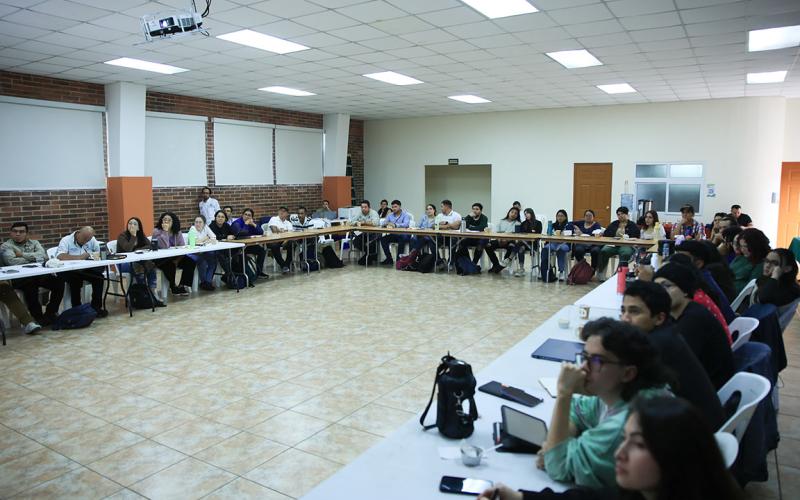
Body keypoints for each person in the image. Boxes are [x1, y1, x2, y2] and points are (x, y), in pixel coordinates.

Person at [478, 396, 744, 500]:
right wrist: (519, 497)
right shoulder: (645, 492)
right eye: (625, 439)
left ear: (675, 454)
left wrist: (565, 391)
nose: (619, 452)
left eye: (637, 444)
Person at [538, 318, 671, 488]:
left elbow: (558, 467)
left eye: (596, 361)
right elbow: (576, 411)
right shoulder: (622, 391)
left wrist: (564, 394)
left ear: (628, 373)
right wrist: (558, 443)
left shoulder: (621, 427)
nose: (584, 368)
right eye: (584, 357)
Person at [622, 281, 725, 429]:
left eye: (634, 311)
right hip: (698, 424)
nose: (625, 318)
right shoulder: (667, 333)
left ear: (659, 318)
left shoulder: (656, 346)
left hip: (694, 436)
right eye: (623, 310)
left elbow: (619, 385)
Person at [654, 263, 734, 389]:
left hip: (708, 392)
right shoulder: (681, 312)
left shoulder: (694, 319)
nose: (660, 292)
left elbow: (673, 363)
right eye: (657, 287)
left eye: (667, 286)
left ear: (685, 290)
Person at [1, 222, 64, 325]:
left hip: (36, 274)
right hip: (17, 277)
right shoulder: (6, 246)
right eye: (15, 231)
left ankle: (50, 312)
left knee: (59, 281)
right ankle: (38, 317)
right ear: (10, 233)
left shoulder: (34, 243)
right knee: (30, 285)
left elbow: (43, 256)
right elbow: (11, 261)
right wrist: (33, 259)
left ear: (27, 233)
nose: (18, 234)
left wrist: (21, 255)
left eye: (21, 232)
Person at [675, 239, 736, 318]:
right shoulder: (704, 274)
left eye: (682, 259)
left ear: (699, 263)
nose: (676, 261)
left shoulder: (700, 284)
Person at [56, 226, 107, 317]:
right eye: (84, 239)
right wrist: (79, 257)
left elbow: (102, 250)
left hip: (85, 269)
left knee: (99, 278)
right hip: (70, 271)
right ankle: (77, 308)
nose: (86, 241)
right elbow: (60, 256)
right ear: (78, 233)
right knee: (75, 280)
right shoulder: (66, 240)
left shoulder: (91, 239)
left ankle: (96, 308)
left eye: (88, 239)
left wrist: (99, 253)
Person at [115, 217, 163, 307]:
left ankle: (152, 290)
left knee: (150, 265)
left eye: (135, 224)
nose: (132, 225)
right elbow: (128, 249)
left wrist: (137, 248)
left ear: (139, 227)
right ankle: (144, 292)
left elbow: (150, 245)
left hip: (137, 262)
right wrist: (133, 236)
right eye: (130, 223)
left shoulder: (140, 235)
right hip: (123, 263)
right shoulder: (122, 236)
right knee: (139, 265)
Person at [151, 212, 196, 297]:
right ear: (161, 221)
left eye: (169, 220)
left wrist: (177, 260)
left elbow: (182, 248)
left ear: (173, 222)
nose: (166, 222)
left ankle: (182, 285)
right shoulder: (157, 231)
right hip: (161, 259)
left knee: (190, 262)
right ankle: (173, 286)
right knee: (170, 265)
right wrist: (165, 231)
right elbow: (165, 247)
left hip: (175, 258)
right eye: (164, 220)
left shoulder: (177, 232)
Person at [597, 207, 641, 281]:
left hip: (626, 245)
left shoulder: (632, 225)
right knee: (604, 251)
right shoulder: (614, 224)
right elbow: (606, 234)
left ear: (627, 214)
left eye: (622, 214)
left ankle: (619, 274)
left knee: (625, 253)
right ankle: (601, 273)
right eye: (618, 214)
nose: (620, 216)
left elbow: (636, 236)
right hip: (613, 245)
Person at [731, 227, 770, 296]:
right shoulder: (741, 257)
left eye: (746, 246)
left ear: (756, 246)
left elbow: (750, 289)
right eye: (741, 246)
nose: (742, 249)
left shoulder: (762, 264)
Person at [231, 208, 268, 277]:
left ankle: (259, 272)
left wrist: (254, 224)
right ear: (242, 215)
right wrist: (246, 224)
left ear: (251, 217)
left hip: (248, 245)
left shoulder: (251, 223)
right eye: (245, 214)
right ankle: (247, 274)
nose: (247, 216)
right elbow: (241, 234)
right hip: (238, 247)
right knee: (242, 255)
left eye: (249, 215)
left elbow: (261, 232)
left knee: (262, 251)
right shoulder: (236, 223)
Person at [484, 207, 521, 274]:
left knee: (512, 246)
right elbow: (496, 232)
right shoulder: (501, 221)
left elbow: (515, 235)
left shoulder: (517, 223)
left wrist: (506, 240)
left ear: (517, 216)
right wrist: (499, 239)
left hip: (510, 241)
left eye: (516, 213)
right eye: (512, 212)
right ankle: (496, 264)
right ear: (509, 212)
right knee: (488, 245)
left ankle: (503, 264)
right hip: (499, 240)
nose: (513, 214)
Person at [454, 203, 489, 271]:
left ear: (481, 211)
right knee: (462, 243)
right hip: (471, 237)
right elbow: (463, 225)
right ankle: (468, 262)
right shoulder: (470, 217)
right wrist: (469, 216)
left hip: (481, 238)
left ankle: (474, 263)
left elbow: (481, 228)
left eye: (477, 209)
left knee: (480, 245)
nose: (475, 211)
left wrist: (471, 228)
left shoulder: (484, 217)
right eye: (473, 209)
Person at [541, 209, 571, 280]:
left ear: (565, 217)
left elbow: (570, 236)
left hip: (564, 244)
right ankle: (545, 270)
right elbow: (548, 236)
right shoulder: (552, 225)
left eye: (562, 216)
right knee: (545, 248)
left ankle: (561, 272)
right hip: (553, 243)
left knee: (561, 249)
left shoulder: (568, 225)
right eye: (558, 216)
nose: (560, 217)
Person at [190, 216, 218, 291]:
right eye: (196, 222)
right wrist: (206, 239)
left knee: (213, 260)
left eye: (200, 222)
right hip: (193, 253)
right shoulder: (192, 229)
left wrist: (205, 240)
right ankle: (203, 282)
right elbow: (195, 242)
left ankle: (208, 282)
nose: (198, 224)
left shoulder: (206, 227)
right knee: (201, 260)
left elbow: (214, 237)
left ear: (204, 223)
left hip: (204, 251)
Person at [379, 199, 411, 265]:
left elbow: (406, 224)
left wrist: (395, 225)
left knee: (401, 238)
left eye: (395, 207)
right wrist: (387, 224)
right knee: (383, 239)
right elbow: (384, 223)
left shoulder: (405, 215)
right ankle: (389, 258)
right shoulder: (390, 215)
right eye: (393, 207)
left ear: (400, 207)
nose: (394, 208)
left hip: (404, 235)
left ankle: (399, 260)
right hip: (394, 235)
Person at [350, 200, 380, 265]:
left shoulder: (373, 213)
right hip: (365, 233)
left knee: (371, 244)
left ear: (369, 207)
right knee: (356, 241)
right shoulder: (360, 213)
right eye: (362, 207)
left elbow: (375, 223)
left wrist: (363, 223)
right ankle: (370, 254)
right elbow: (351, 221)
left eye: (365, 207)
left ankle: (370, 255)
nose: (363, 209)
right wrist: (357, 222)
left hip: (374, 233)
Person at [514, 208, 542, 277]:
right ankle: (521, 268)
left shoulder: (538, 223)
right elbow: (521, 233)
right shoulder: (523, 223)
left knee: (519, 244)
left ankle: (510, 257)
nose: (527, 215)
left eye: (528, 213)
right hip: (524, 244)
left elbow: (538, 233)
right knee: (521, 248)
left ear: (532, 213)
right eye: (525, 214)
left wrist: (529, 232)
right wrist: (531, 231)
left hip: (533, 244)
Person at [208, 210, 235, 282]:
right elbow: (214, 237)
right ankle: (229, 274)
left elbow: (233, 234)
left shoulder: (226, 225)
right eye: (218, 217)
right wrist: (226, 237)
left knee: (236, 253)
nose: (220, 218)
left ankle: (229, 274)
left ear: (225, 219)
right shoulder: (211, 225)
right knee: (221, 255)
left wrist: (232, 236)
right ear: (215, 218)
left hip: (225, 248)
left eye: (222, 217)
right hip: (214, 249)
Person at [268, 206, 295, 274]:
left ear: (287, 214)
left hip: (285, 240)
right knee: (274, 245)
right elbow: (274, 231)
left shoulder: (288, 223)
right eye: (280, 211)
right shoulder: (273, 219)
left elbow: (291, 234)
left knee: (292, 243)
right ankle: (283, 265)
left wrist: (279, 230)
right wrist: (284, 231)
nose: (282, 212)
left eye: (284, 211)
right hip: (273, 240)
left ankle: (287, 264)